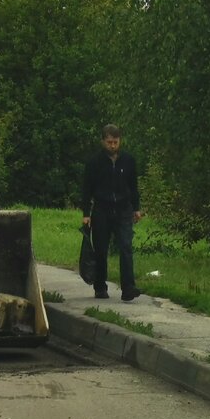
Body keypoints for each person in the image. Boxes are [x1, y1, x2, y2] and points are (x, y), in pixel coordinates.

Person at [81, 124, 142, 302]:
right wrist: (86, 213)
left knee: (125, 246)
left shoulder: (128, 161)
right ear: (103, 141)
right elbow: (87, 189)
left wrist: (136, 208)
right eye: (109, 142)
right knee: (101, 248)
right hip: (101, 209)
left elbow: (133, 186)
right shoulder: (94, 163)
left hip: (123, 208)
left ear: (120, 141)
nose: (113, 146)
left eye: (115, 142)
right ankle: (100, 286)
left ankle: (128, 288)